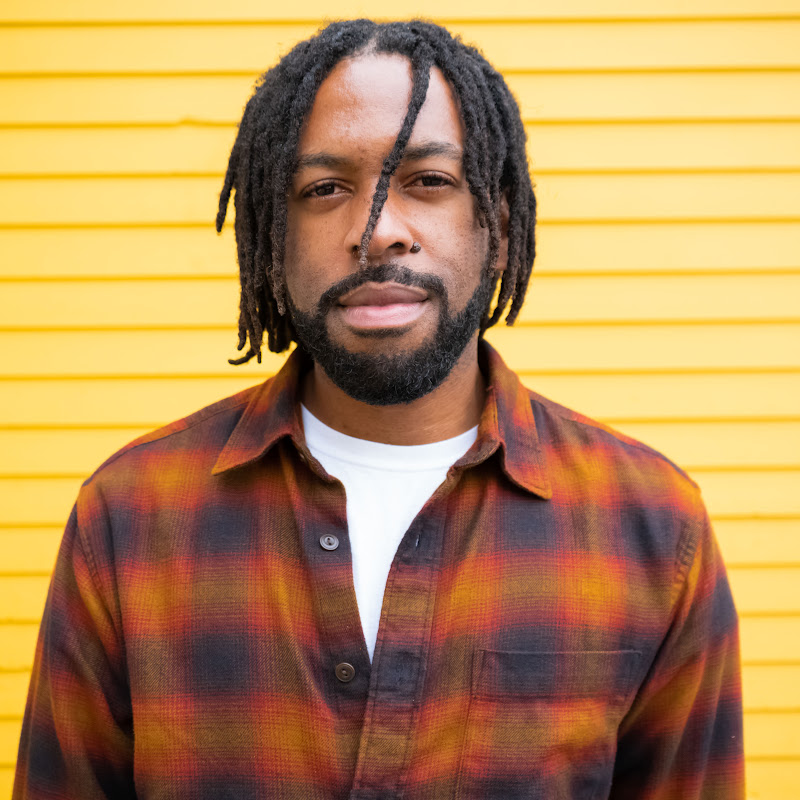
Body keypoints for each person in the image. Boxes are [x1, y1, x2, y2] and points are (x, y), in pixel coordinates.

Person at [13, 19, 743, 800]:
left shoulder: (653, 527)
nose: (377, 233)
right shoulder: (129, 517)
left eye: (428, 180)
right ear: (272, 238)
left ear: (499, 229)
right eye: (325, 190)